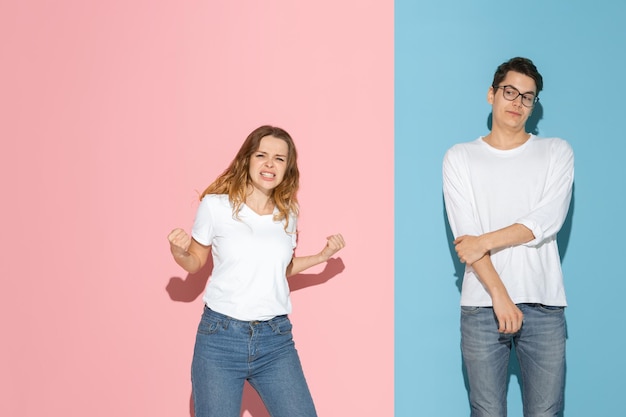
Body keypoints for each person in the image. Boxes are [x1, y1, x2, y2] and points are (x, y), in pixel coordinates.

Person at [168, 125, 345, 417]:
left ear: (288, 167)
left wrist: (321, 257)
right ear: (247, 159)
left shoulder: (288, 212)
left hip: (275, 340)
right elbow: (196, 261)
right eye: (262, 155)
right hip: (220, 339)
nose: (269, 164)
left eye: (279, 158)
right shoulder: (215, 206)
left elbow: (280, 269)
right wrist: (179, 252)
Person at [442, 57, 574, 417]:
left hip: (544, 303)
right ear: (492, 94)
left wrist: (484, 241)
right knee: (486, 411)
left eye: (527, 97)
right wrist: (500, 295)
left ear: (535, 105)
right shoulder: (460, 157)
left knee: (546, 412)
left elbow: (546, 221)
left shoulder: (556, 152)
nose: (517, 102)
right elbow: (465, 237)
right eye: (510, 92)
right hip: (483, 304)